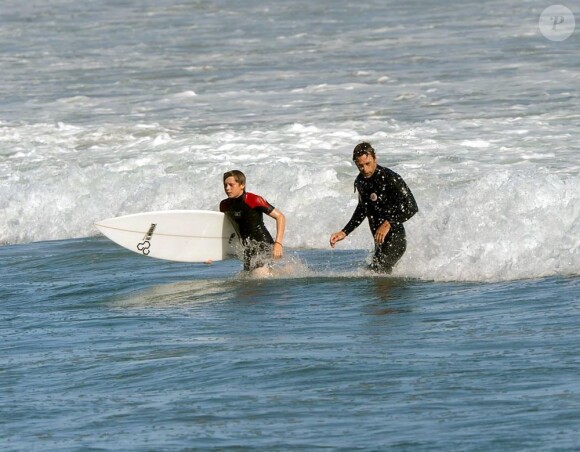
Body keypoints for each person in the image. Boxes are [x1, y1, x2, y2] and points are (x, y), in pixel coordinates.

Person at [329, 142, 418, 273]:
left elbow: (412, 207)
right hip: (379, 241)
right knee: (373, 274)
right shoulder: (361, 181)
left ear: (375, 158)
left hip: (396, 239)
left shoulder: (390, 178)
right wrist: (344, 232)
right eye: (360, 166)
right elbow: (362, 209)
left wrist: (388, 223)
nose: (365, 169)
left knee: (379, 273)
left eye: (368, 163)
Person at [220, 170, 285, 273]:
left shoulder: (253, 200)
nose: (227, 188)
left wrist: (278, 243)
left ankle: (284, 272)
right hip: (247, 248)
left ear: (242, 185)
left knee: (258, 276)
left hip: (263, 244)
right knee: (248, 281)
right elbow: (225, 229)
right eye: (225, 185)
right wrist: (213, 253)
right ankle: (285, 271)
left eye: (231, 185)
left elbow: (280, 217)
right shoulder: (224, 205)